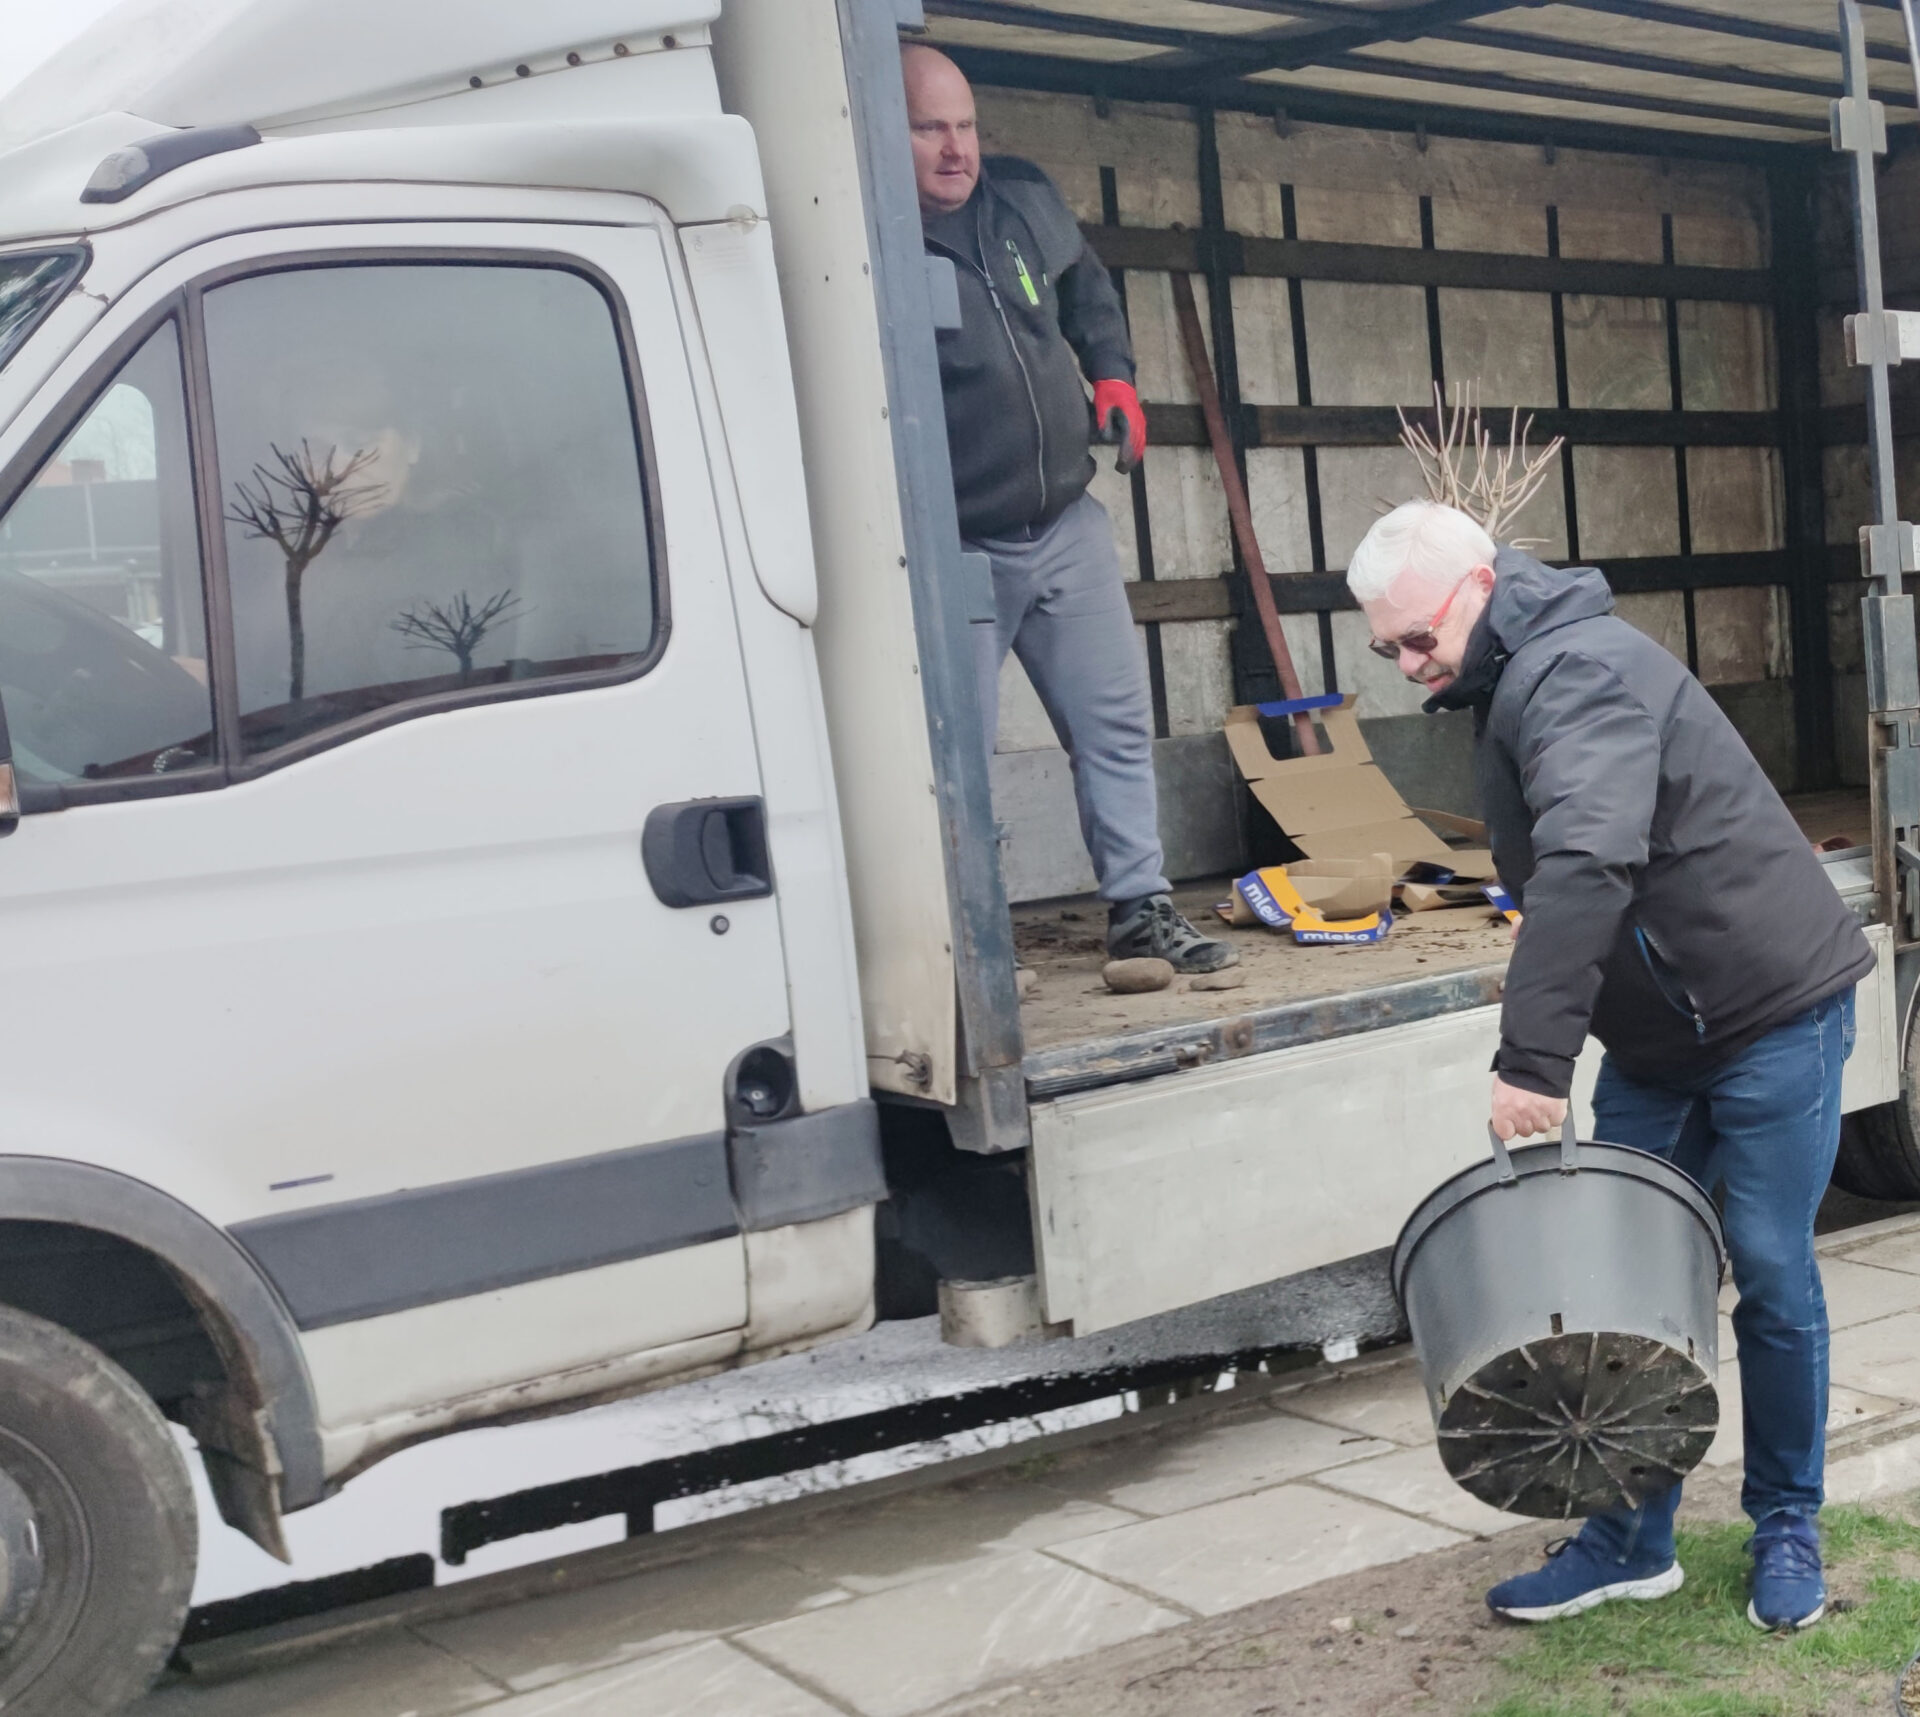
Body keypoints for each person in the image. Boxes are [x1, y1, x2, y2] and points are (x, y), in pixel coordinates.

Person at [1348, 499, 1875, 1633]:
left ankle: (1787, 1523)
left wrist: (1533, 1060)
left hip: (1769, 1009)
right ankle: (1629, 1542)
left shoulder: (1574, 671)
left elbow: (1588, 856)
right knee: (1617, 1286)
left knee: (1771, 1270)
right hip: (1660, 1037)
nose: (1407, 664)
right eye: (1386, 648)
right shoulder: (1513, 668)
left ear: (1479, 588)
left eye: (1416, 638)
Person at [902, 43, 1234, 973]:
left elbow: (1086, 282)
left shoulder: (1021, 198)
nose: (957, 150)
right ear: (880, 136)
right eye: (929, 130)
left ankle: (1142, 909)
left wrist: (1113, 373)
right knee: (951, 755)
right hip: (955, 546)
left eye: (965, 126)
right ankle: (963, 943)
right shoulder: (867, 240)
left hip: (1063, 521)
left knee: (1114, 725)